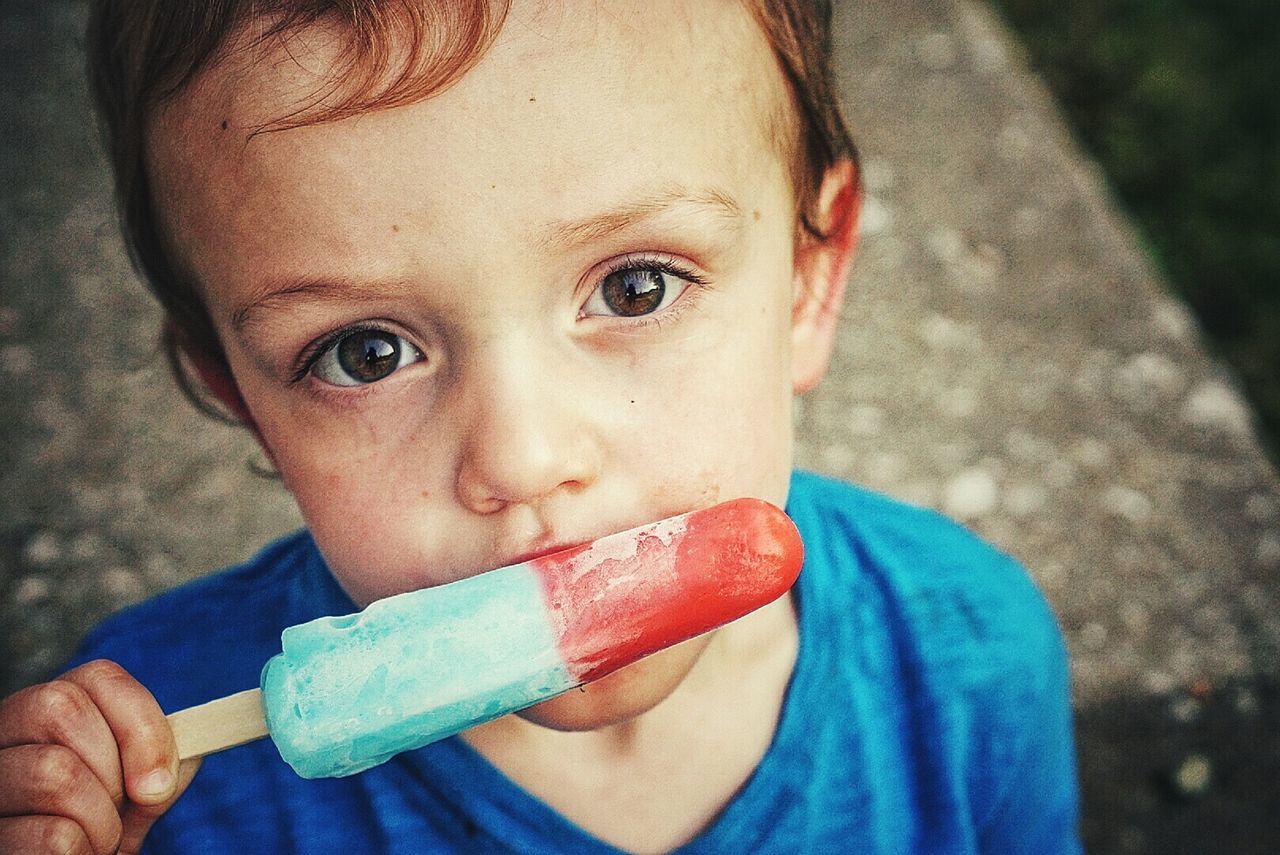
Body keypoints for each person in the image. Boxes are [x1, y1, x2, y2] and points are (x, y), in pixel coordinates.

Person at [0, 0, 1081, 852]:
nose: (521, 459)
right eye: (364, 354)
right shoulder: (150, 767)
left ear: (807, 278)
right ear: (242, 397)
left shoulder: (968, 661)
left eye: (637, 287)